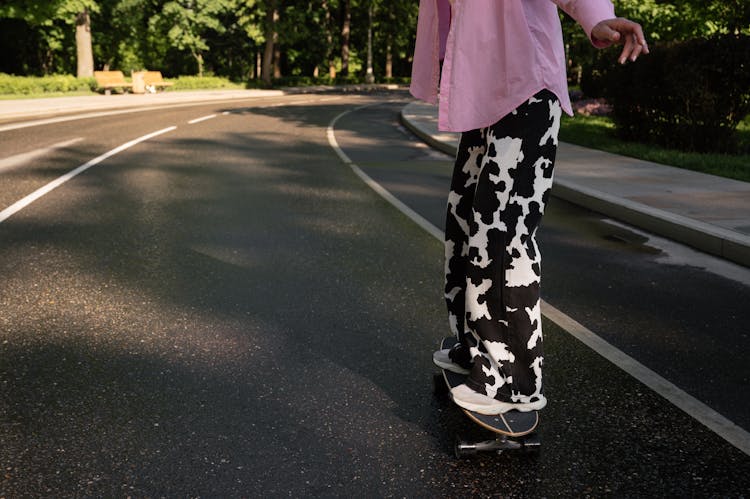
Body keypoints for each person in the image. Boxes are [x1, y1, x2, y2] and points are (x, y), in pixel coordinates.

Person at [411, 0, 648, 415]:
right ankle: (474, 344)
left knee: (501, 230)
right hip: (482, 86)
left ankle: (514, 379)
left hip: (525, 82)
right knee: (465, 219)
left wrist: (597, 15)